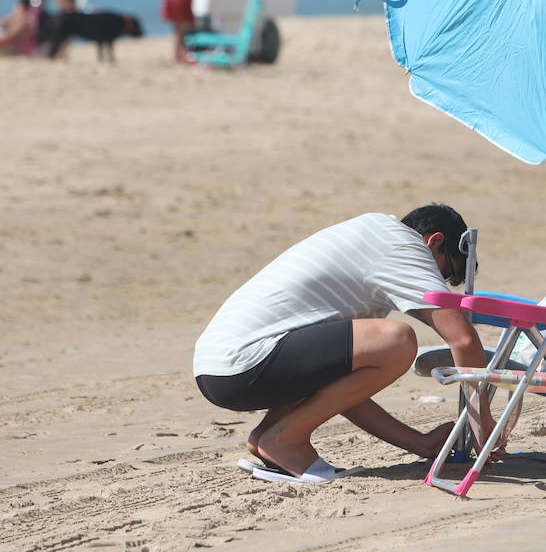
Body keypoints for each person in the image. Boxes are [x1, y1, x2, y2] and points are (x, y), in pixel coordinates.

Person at [192, 205, 498, 483]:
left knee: (376, 346)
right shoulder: (403, 245)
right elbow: (462, 338)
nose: (437, 282)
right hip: (243, 363)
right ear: (433, 241)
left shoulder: (369, 250)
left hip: (219, 369)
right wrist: (484, 425)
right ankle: (284, 441)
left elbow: (339, 388)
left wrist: (419, 443)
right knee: (398, 340)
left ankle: (270, 437)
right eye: (446, 273)